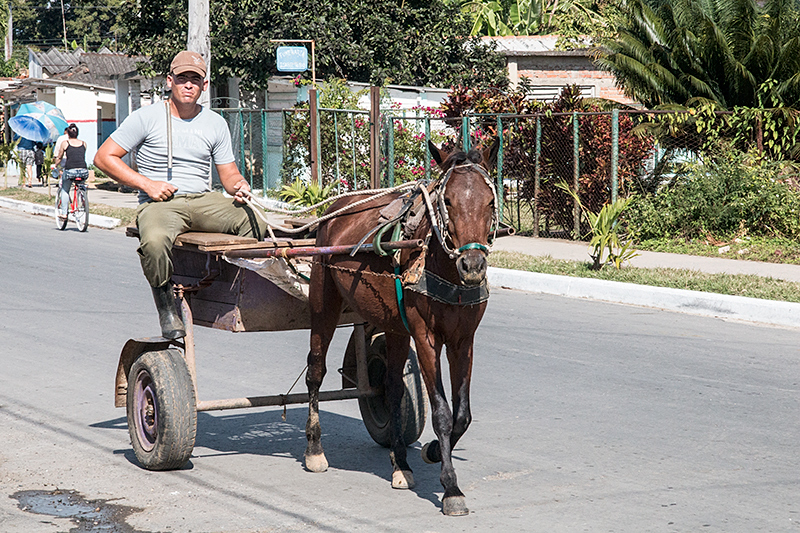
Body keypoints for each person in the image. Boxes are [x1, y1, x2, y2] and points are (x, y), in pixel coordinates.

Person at [94, 50, 264, 340]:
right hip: (161, 203)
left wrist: (240, 186)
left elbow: (229, 175)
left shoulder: (215, 123)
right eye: (182, 79)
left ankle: (225, 286)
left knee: (255, 221)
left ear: (204, 86)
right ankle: (166, 305)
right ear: (169, 81)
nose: (188, 85)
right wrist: (147, 185)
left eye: (194, 80)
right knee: (155, 240)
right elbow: (103, 157)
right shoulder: (145, 117)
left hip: (202, 200)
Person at [54, 124, 89, 217]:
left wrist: (55, 165)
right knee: (81, 184)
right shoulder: (83, 143)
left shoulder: (65, 143)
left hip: (70, 170)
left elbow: (60, 157)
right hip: (83, 170)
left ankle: (64, 213)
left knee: (65, 190)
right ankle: (83, 199)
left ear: (68, 134)